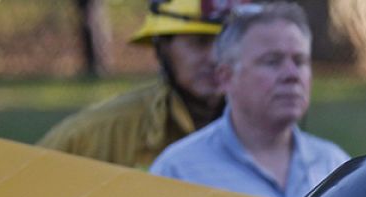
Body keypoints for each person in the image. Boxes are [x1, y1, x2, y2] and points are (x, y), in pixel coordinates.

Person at [150, 2, 350, 197]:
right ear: (226, 77)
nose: (292, 75)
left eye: (299, 61)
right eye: (272, 61)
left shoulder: (335, 167)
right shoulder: (178, 172)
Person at [39, 0, 232, 168]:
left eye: (228, 42)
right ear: (162, 47)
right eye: (199, 42)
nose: (215, 58)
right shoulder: (95, 135)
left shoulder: (261, 134)